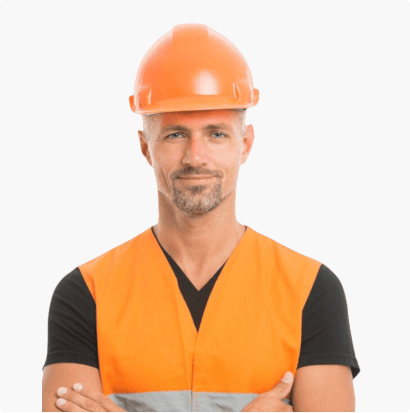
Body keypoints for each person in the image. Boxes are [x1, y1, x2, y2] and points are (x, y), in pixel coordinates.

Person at [42, 24, 360, 412]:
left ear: (245, 144)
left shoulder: (311, 291)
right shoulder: (86, 294)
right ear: (146, 147)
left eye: (216, 134)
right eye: (175, 134)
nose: (195, 157)